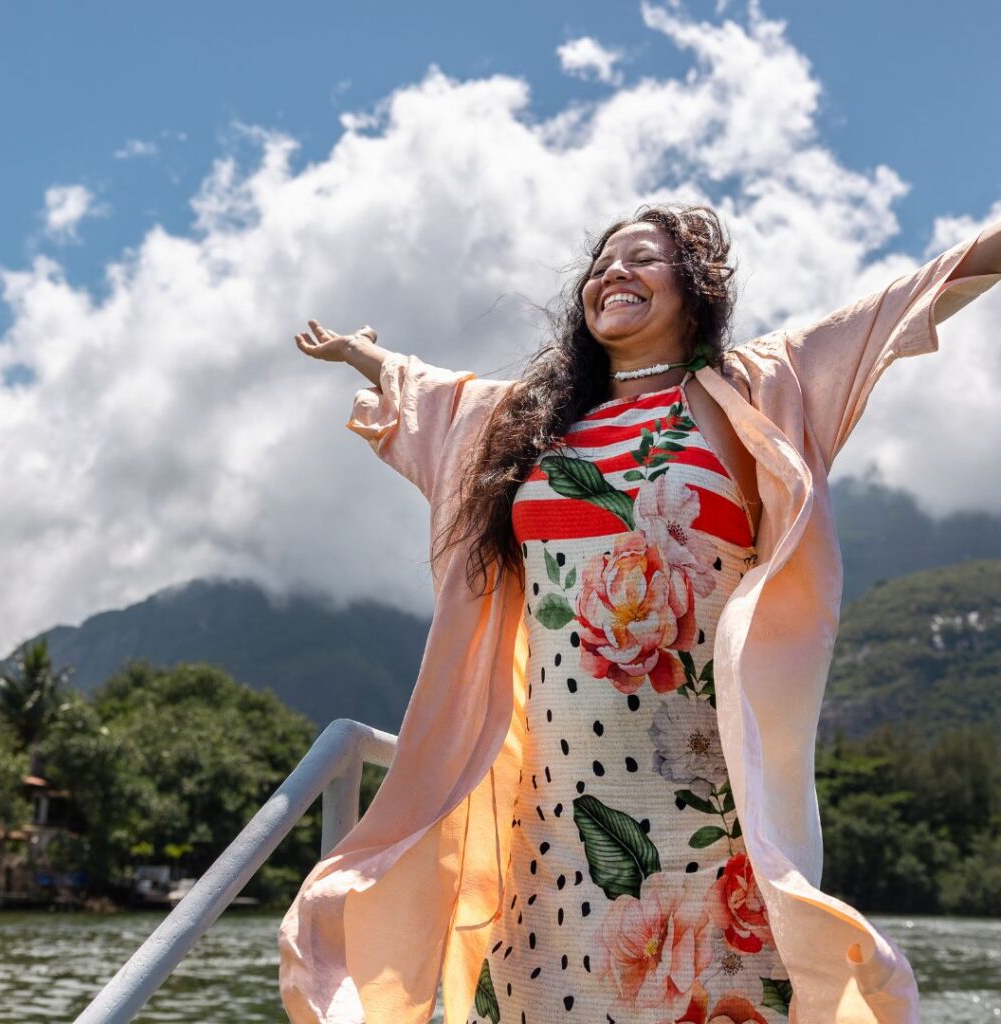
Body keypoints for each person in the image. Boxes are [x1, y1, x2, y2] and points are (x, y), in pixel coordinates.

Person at [279, 204, 1000, 1024]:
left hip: (708, 815)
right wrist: (365, 355)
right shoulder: (525, 420)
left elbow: (909, 301)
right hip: (552, 820)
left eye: (643, 259)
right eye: (601, 264)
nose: (613, 273)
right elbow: (434, 395)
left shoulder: (765, 387)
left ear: (697, 291)